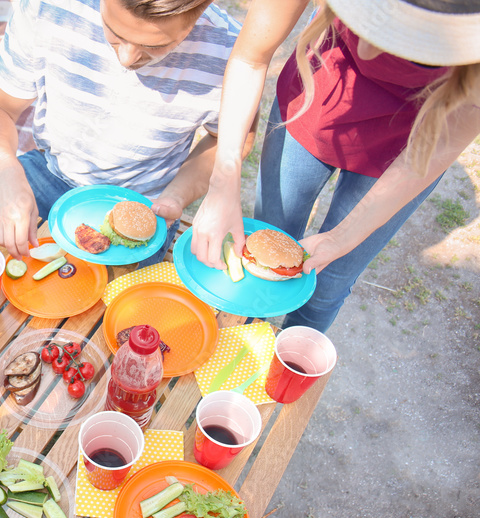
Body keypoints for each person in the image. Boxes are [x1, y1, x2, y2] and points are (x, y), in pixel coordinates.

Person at [0, 0, 253, 282]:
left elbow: (228, 142)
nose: (126, 58)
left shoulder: (231, 50)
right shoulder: (51, 6)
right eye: (114, 31)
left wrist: (177, 196)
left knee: (89, 322)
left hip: (143, 206)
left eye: (154, 47)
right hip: (47, 173)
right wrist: (6, 172)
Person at [190, 0, 480, 331]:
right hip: (314, 101)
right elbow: (250, 57)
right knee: (267, 246)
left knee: (329, 283)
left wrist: (342, 239)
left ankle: (286, 372)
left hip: (411, 142)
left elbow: (434, 150)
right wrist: (222, 182)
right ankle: (246, 340)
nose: (368, 51)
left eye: (409, 42)